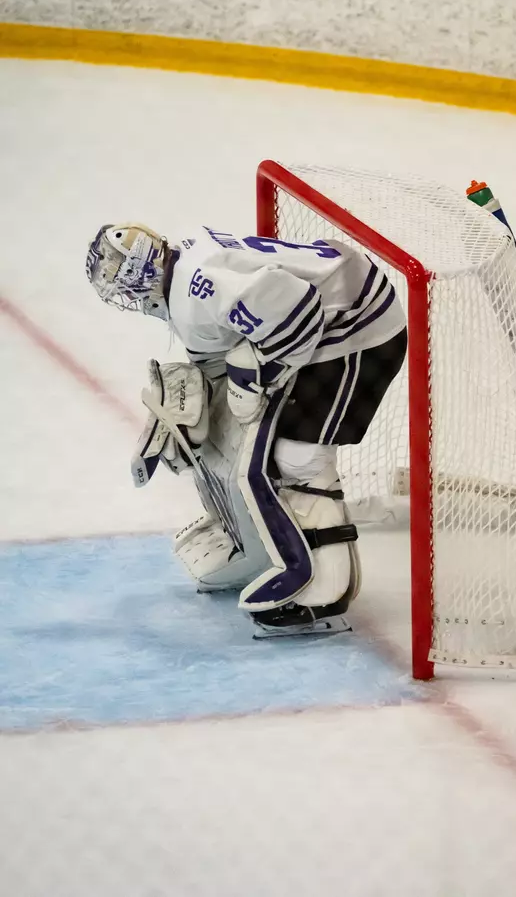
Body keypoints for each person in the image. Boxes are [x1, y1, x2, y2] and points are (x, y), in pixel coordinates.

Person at [86, 222, 407, 635]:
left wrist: (255, 374)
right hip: (335, 316)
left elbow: (301, 311)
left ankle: (327, 584)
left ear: (139, 273)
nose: (123, 294)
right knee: (258, 444)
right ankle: (254, 544)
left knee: (298, 458)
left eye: (120, 280)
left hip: (358, 326)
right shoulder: (183, 274)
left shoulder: (198, 287)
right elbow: (234, 340)